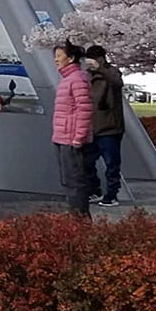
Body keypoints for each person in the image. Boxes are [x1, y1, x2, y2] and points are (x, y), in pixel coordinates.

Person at [51, 40, 96, 218]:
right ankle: (75, 219)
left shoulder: (77, 79)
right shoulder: (68, 79)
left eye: (59, 56)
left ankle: (80, 221)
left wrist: (79, 137)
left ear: (71, 58)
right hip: (62, 138)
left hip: (72, 141)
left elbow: (84, 109)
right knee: (69, 181)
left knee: (75, 182)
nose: (56, 60)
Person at [82, 42, 126, 205]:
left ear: (101, 59)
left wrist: (100, 69)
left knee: (111, 164)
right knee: (86, 161)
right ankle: (94, 190)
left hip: (110, 128)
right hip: (92, 127)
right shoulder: (87, 76)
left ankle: (112, 194)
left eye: (93, 60)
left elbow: (117, 82)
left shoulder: (111, 73)